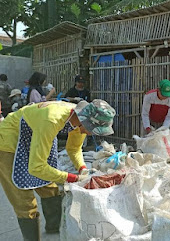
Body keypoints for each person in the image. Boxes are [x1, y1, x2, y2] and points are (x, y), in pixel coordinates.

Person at [0, 99, 115, 240]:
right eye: (93, 130)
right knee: (24, 200)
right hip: (9, 141)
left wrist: (82, 169)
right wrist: (73, 178)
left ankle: (53, 232)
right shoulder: (52, 120)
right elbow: (37, 167)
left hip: (37, 135)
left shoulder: (79, 117)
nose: (91, 134)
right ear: (86, 122)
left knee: (50, 188)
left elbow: (74, 149)